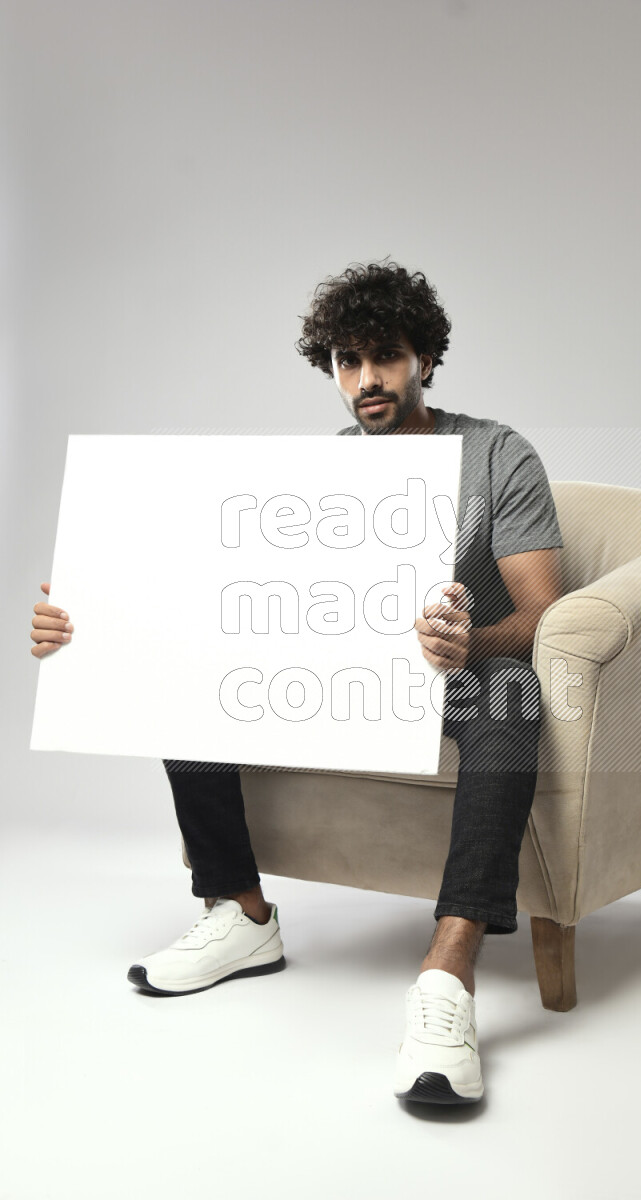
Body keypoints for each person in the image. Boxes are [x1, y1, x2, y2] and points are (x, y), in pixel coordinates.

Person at [30, 259, 563, 1106]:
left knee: (513, 696)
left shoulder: (498, 454)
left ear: (424, 357)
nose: (366, 379)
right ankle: (240, 914)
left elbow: (541, 614)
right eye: (348, 362)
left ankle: (448, 972)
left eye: (384, 356)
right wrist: (91, 626)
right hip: (335, 677)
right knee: (190, 678)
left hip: (454, 674)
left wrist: (471, 642)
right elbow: (217, 601)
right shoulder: (321, 470)